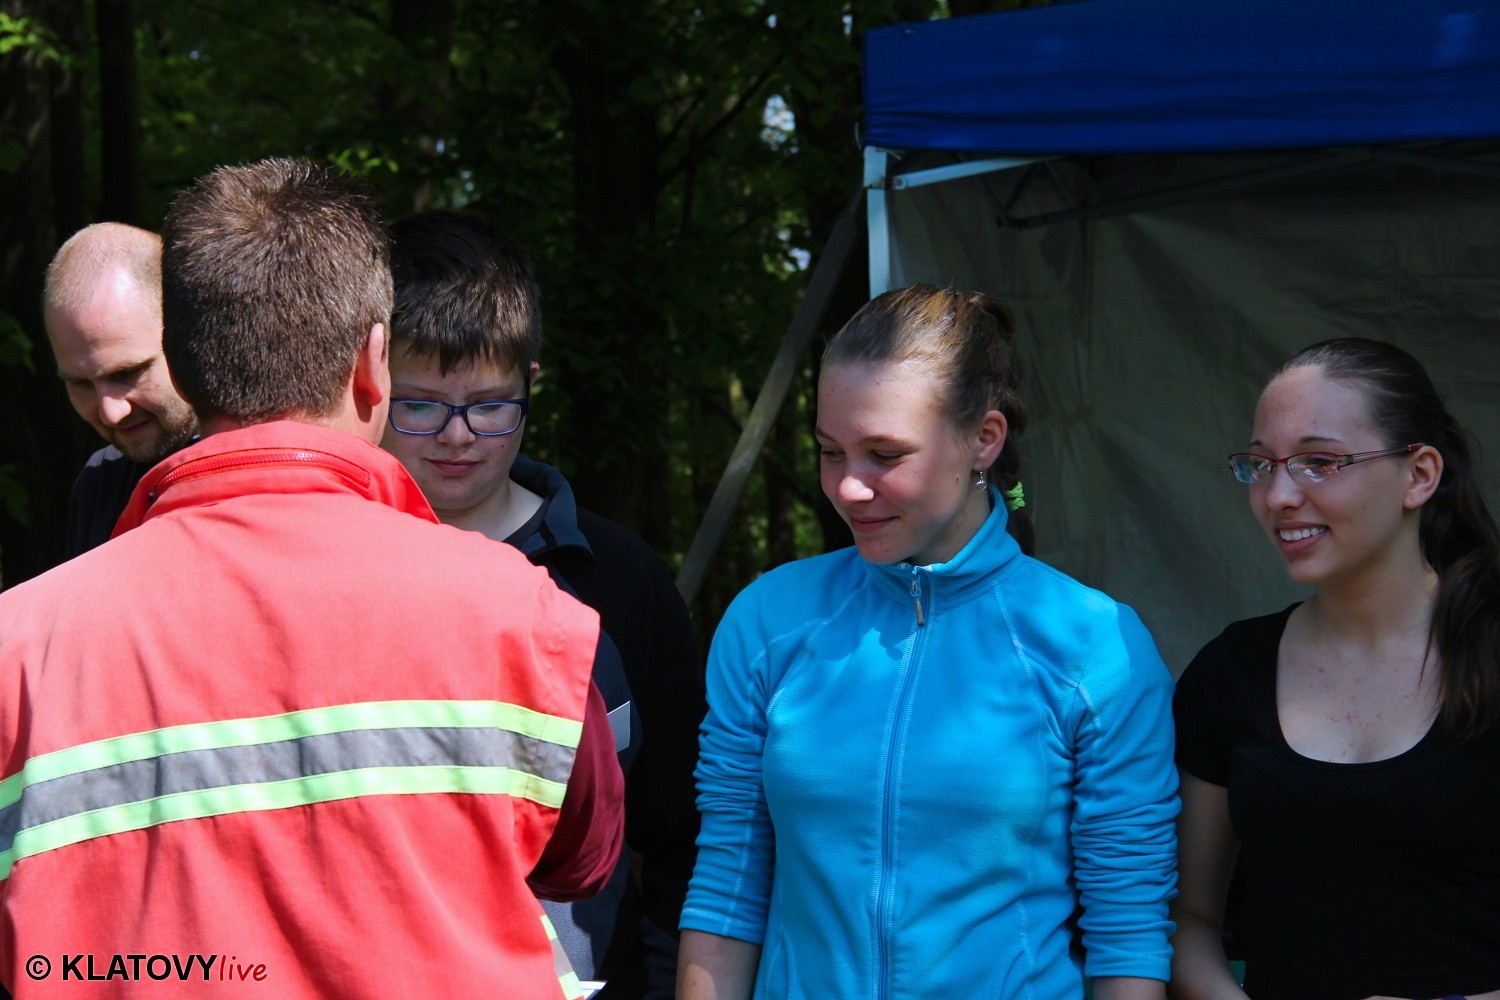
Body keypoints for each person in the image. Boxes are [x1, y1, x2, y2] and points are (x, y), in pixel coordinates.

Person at [0, 157, 624, 997]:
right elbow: (585, 862)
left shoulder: (18, 645)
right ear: (375, 363)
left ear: (180, 365)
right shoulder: (524, 615)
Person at [678, 283, 1180, 1000]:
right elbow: (729, 888)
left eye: (884, 454)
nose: (848, 488)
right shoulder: (768, 621)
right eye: (829, 452)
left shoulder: (1094, 647)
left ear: (984, 440)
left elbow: (1127, 930)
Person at [379, 209, 705, 1000]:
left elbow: (683, 836)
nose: (458, 437)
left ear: (533, 384)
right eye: (420, 405)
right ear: (371, 384)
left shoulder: (620, 579)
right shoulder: (329, 572)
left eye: (490, 405)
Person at [1171, 338, 1500, 1000]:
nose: (1278, 496)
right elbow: (1188, 920)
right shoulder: (1230, 671)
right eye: (1262, 465)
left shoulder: (1489, 650)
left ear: (1419, 476)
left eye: (1319, 463)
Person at [42, 222, 199, 556]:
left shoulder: (275, 465)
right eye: (80, 383)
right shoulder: (100, 483)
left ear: (188, 336)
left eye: (128, 373)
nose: (111, 413)